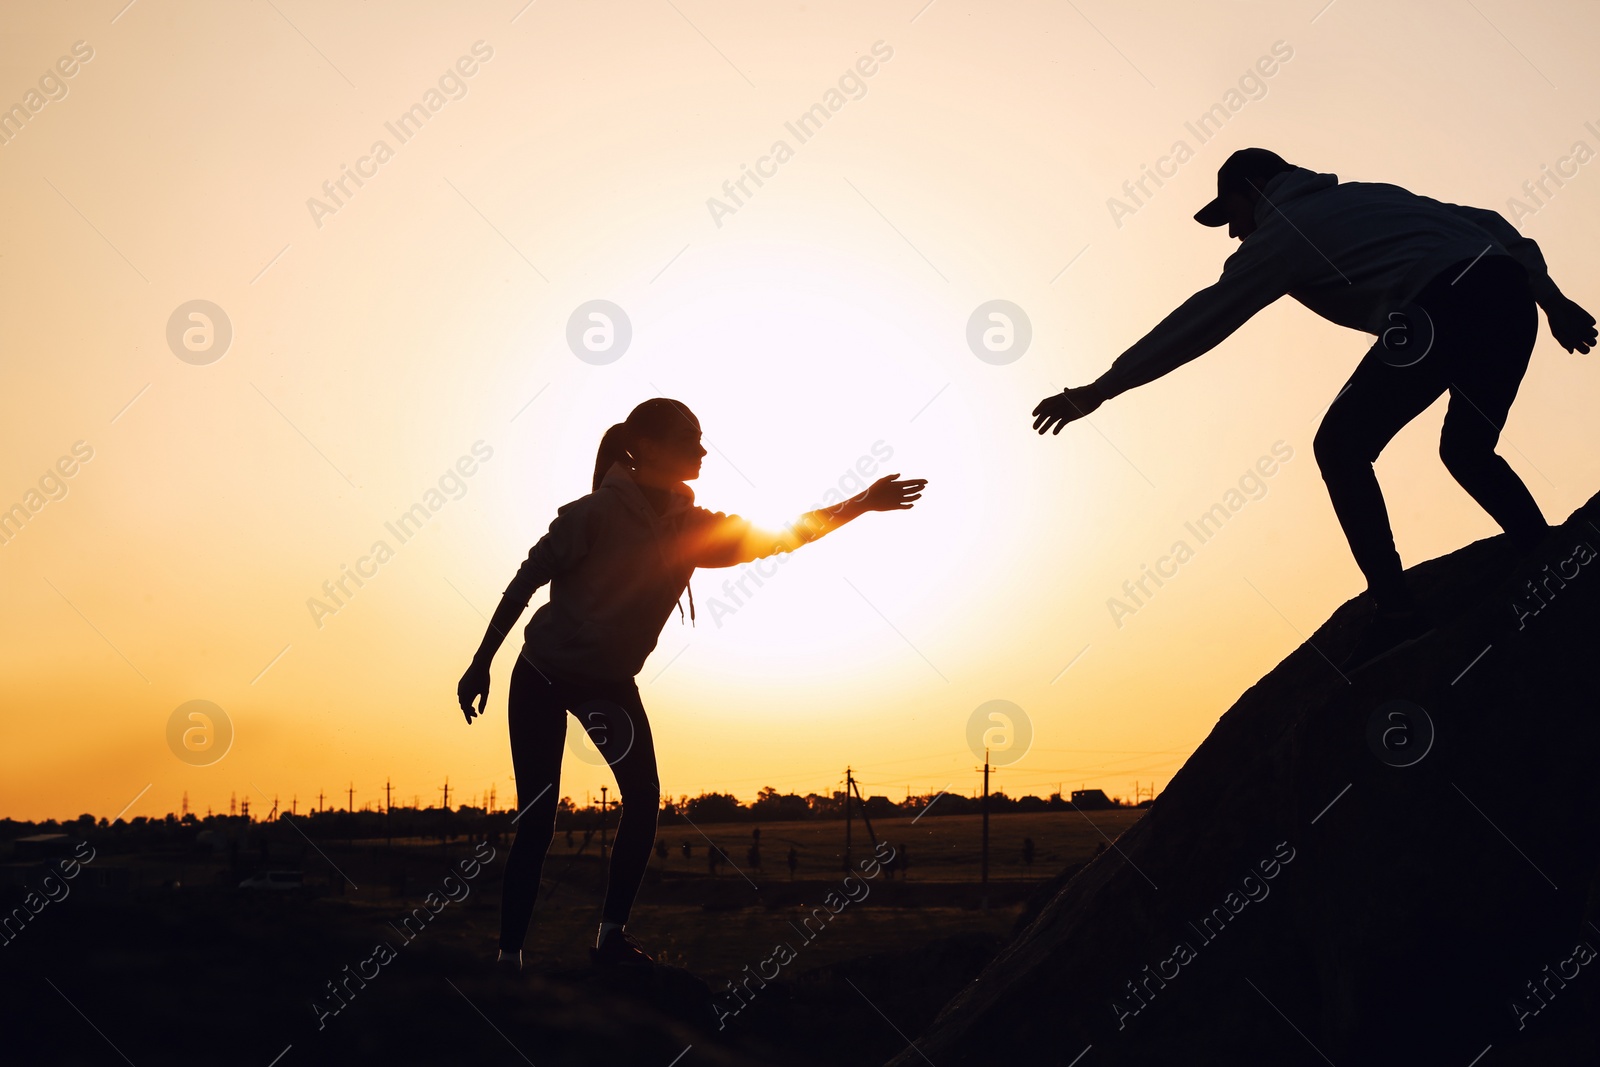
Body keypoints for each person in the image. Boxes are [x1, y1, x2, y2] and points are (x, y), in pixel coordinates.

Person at [1034, 148, 1596, 670]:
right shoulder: (1369, 195)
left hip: (1440, 306)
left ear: (1253, 188)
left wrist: (1100, 389)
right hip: (1508, 298)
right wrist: (1553, 300)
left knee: (1340, 446)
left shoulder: (1281, 235)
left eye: (1230, 214)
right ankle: (1548, 558)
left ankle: (1398, 613)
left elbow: (1201, 321)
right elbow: (1492, 225)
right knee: (1467, 450)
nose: (1232, 232)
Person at [457, 398, 926, 971]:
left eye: (701, 438)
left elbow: (784, 535)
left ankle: (611, 942)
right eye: (688, 438)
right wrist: (480, 663)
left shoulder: (693, 529)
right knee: (540, 814)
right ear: (648, 446)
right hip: (542, 676)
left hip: (605, 685)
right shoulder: (592, 514)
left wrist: (861, 504)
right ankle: (509, 957)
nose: (703, 449)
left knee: (643, 800)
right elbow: (524, 582)